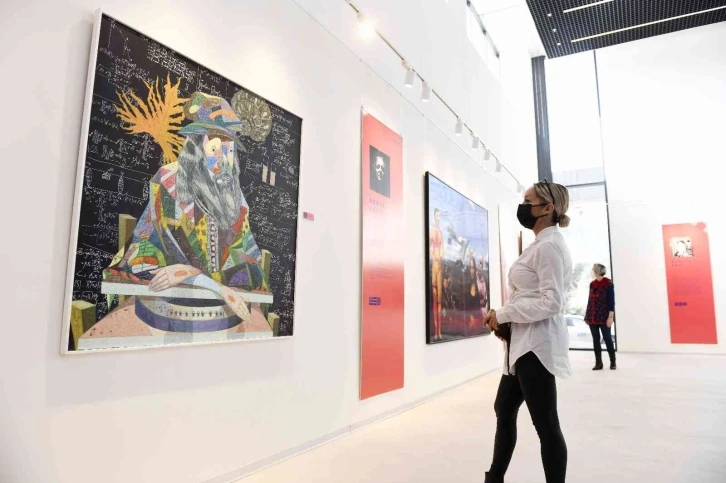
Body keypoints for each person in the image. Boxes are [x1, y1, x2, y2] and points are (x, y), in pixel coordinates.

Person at [484, 180, 573, 483]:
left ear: (548, 208)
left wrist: (504, 314)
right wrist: (503, 317)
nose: (522, 207)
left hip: (536, 346)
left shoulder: (549, 246)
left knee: (546, 425)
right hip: (522, 343)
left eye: (528, 201)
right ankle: (494, 478)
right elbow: (529, 294)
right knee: (504, 408)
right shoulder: (540, 244)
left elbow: (552, 302)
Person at [585, 264, 616, 370]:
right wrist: (588, 315)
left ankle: (613, 362)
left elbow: (611, 302)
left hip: (604, 316)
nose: (592, 271)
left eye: (593, 270)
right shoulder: (592, 284)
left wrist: (610, 317)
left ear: (597, 271)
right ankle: (598, 363)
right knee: (596, 340)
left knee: (607, 338)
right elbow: (590, 300)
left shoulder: (608, 284)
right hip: (592, 316)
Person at [430, 208, 445, 341]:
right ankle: (436, 331)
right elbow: (430, 247)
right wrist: (434, 256)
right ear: (434, 216)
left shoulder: (440, 231)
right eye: (437, 215)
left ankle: (439, 331)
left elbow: (442, 250)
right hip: (435, 264)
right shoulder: (433, 230)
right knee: (435, 299)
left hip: (439, 265)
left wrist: (440, 256)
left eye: (439, 215)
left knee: (439, 300)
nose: (438, 217)